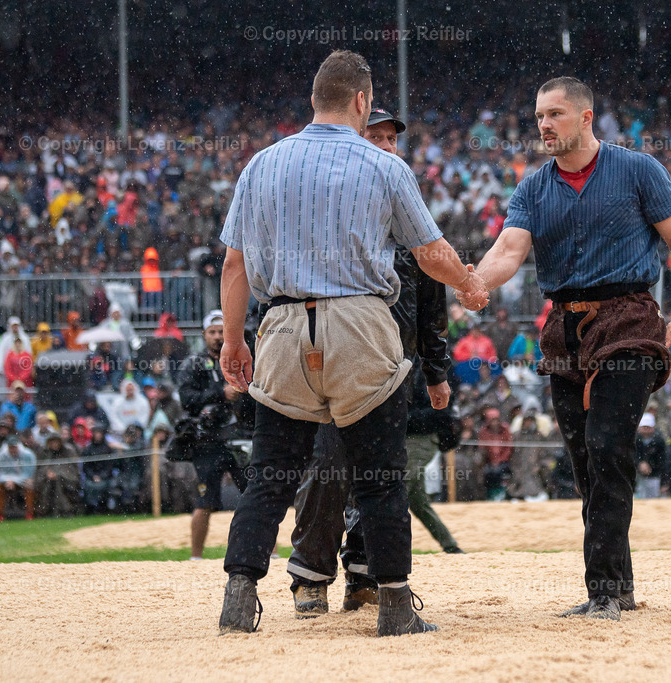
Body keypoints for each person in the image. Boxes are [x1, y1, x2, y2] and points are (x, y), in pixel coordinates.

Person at [216, 51, 487, 637]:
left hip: (282, 327)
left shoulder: (261, 164)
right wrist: (469, 283)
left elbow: (234, 264)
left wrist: (234, 339)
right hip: (360, 326)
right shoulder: (384, 166)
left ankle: (239, 594)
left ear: (315, 98)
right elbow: (431, 254)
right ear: (363, 102)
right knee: (381, 473)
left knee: (271, 472)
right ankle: (393, 604)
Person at [462, 76, 671, 620]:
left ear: (586, 117)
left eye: (555, 114)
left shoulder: (638, 169)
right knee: (586, 466)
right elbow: (508, 249)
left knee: (607, 448)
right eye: (539, 117)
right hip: (565, 327)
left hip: (629, 320)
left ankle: (603, 592)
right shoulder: (533, 186)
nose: (544, 125)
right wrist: (479, 280)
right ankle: (617, 588)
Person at [289, 105, 463, 617]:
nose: (387, 146)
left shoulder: (411, 211)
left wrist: (437, 373)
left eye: (392, 139)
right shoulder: (330, 214)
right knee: (328, 464)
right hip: (336, 354)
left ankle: (363, 575)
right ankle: (311, 576)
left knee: (381, 472)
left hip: (397, 365)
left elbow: (432, 306)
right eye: (377, 137)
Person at [176, 310, 250, 561]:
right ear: (204, 335)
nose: (218, 337)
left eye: (222, 331)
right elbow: (187, 400)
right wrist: (221, 392)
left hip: (240, 437)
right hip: (206, 441)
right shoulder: (193, 364)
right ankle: (196, 557)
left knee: (255, 495)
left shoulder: (242, 359)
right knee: (205, 500)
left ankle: (271, 554)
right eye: (213, 332)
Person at [0, 436, 36, 520]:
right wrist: (7, 480)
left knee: (29, 486)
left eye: (14, 447)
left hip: (23, 480)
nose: (13, 450)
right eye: (11, 448)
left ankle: (29, 513)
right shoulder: (1, 455)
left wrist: (14, 481)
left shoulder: (28, 454)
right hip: (6, 481)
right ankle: (0, 514)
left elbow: (28, 472)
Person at [633, 412, 665, 499]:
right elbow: (632, 455)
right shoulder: (635, 440)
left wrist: (650, 466)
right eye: (644, 427)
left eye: (648, 427)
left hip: (654, 475)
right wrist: (639, 464)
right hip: (637, 476)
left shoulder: (659, 441)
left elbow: (663, 460)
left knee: (653, 498)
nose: (646, 430)